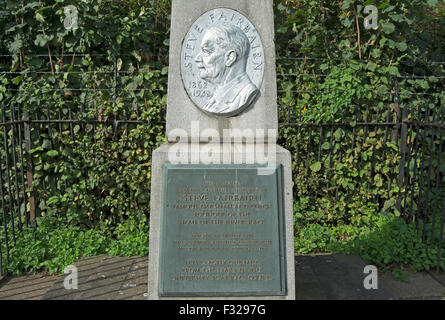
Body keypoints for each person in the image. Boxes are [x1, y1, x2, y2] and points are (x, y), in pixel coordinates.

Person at [194, 24, 259, 116]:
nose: (197, 58)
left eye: (206, 51)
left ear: (230, 58)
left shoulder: (245, 95)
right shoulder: (213, 100)